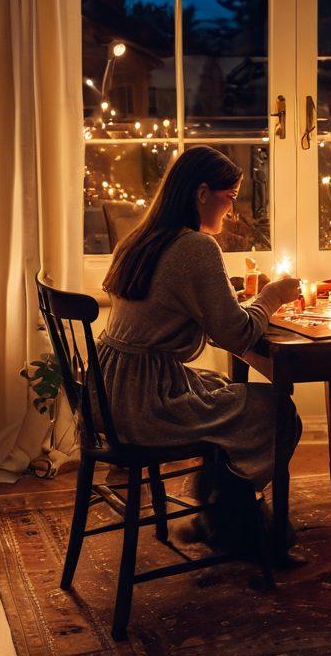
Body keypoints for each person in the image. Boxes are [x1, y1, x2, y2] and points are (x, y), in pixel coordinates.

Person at [100, 145, 302, 553]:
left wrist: (235, 304)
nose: (230, 210)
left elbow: (201, 317)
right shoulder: (195, 247)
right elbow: (234, 332)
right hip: (146, 404)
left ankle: (221, 515)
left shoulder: (141, 239)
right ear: (202, 192)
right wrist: (271, 296)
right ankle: (235, 522)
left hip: (108, 393)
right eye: (228, 198)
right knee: (277, 409)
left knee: (216, 385)